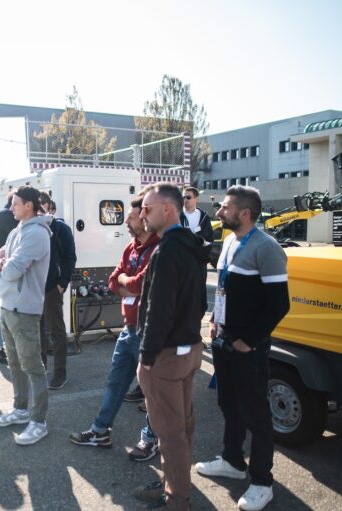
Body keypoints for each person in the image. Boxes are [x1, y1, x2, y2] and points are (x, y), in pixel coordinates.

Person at [195, 186, 290, 511]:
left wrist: (249, 341)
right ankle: (233, 461)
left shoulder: (267, 248)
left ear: (245, 213)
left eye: (225, 207)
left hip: (248, 347)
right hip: (224, 339)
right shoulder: (230, 241)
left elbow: (279, 304)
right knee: (229, 404)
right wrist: (214, 321)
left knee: (256, 414)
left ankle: (262, 482)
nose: (219, 212)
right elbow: (224, 289)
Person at [133, 183, 210, 510]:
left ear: (167, 209)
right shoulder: (192, 245)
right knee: (183, 428)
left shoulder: (167, 251)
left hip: (166, 356)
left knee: (170, 433)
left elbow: (158, 311)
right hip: (189, 349)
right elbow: (200, 301)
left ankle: (177, 498)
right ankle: (174, 485)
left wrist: (147, 358)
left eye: (147, 208)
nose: (142, 214)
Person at [69, 195, 159, 448]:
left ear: (145, 218)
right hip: (128, 330)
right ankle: (100, 431)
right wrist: (127, 284)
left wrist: (126, 283)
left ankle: (151, 438)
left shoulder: (158, 249)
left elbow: (139, 284)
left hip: (147, 331)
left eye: (131, 218)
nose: (126, 223)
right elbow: (113, 280)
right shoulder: (131, 248)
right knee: (116, 382)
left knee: (152, 390)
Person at [0, 186, 52, 445]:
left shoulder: (36, 233)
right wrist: (0, 263)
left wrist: (2, 264)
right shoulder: (17, 231)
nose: (11, 207)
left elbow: (12, 270)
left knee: (32, 366)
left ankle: (39, 421)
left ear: (29, 205)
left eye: (15, 203)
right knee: (14, 364)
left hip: (24, 310)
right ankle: (21, 409)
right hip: (8, 307)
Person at [38, 192, 77, 390]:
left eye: (40, 205)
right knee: (37, 331)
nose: (37, 209)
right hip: (34, 288)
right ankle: (41, 369)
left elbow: (70, 257)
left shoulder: (60, 228)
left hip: (52, 287)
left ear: (48, 206)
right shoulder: (31, 227)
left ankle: (60, 373)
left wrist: (62, 283)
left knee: (56, 331)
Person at [0, 191, 20, 364]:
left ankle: (4, 345)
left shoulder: (3, 215)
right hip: (3, 267)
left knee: (8, 306)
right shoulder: (6, 216)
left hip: (5, 266)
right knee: (5, 307)